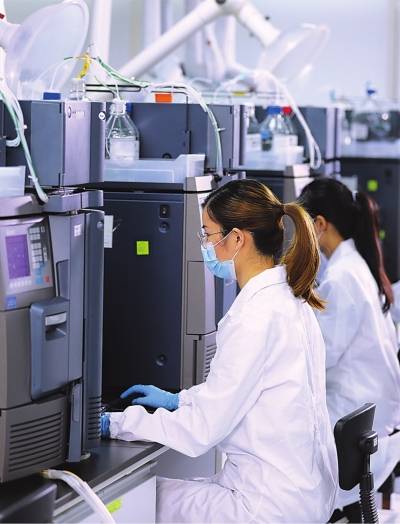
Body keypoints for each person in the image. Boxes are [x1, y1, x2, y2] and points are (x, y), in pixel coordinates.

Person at [102, 179, 338, 523]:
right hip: (301, 494)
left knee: (129, 502)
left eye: (207, 234)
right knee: (164, 492)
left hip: (268, 505)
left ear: (237, 239)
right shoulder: (290, 299)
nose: (205, 245)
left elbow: (202, 431)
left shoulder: (254, 317)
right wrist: (180, 400)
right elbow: (241, 390)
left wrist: (117, 423)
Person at [300, 177, 400, 509]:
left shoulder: (342, 277)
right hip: (371, 410)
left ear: (320, 224)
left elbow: (321, 358)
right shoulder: (353, 265)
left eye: (303, 226)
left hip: (354, 416)